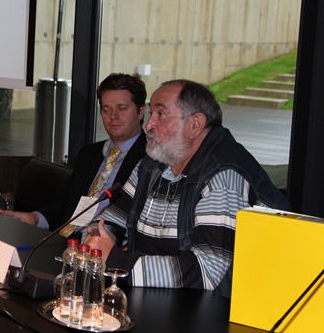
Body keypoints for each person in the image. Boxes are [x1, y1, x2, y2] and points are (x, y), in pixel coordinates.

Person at [84, 79, 288, 297]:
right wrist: (98, 238)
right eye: (151, 113)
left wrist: (117, 261)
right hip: (154, 295)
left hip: (215, 308)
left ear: (195, 125)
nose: (149, 124)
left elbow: (207, 272)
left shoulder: (223, 176)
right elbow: (112, 219)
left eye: (161, 114)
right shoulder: (153, 163)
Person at [0, 73, 147, 232]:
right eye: (106, 109)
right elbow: (68, 206)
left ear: (141, 111)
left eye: (122, 108)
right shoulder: (89, 154)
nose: (113, 116)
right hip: (64, 238)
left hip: (105, 240)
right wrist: (35, 218)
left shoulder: (149, 161)